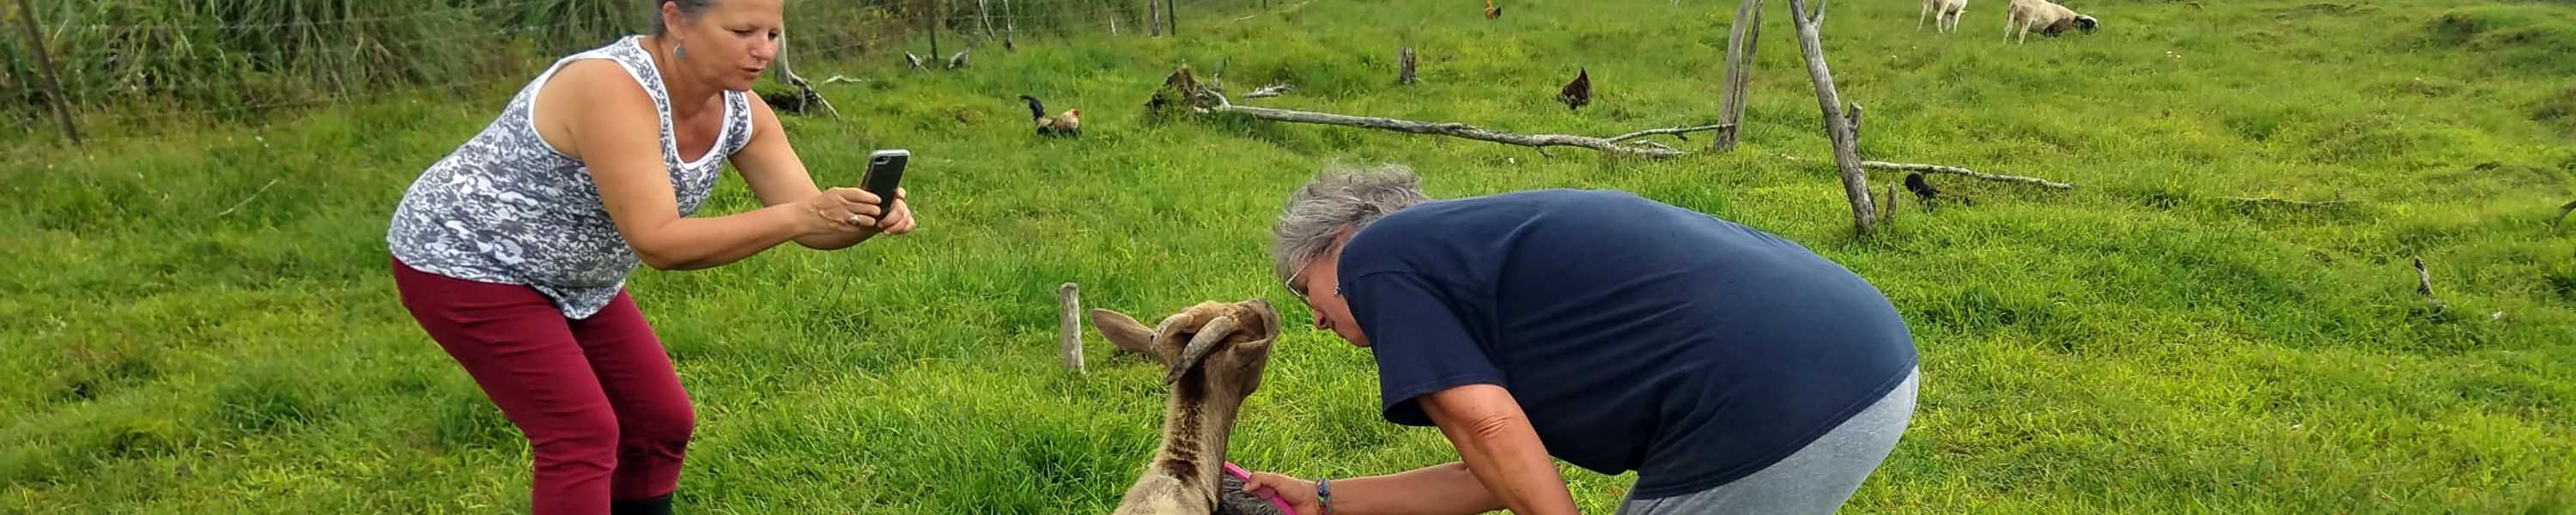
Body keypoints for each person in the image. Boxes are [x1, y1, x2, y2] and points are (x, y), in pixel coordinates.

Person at [383, 0, 914, 513]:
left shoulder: (738, 108)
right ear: (676, 19)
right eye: (741, 33)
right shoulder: (610, 87)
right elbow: (659, 242)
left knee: (659, 423)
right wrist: (804, 215)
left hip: (576, 276)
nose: (763, 51)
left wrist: (862, 217)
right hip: (465, 257)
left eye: (772, 35)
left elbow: (809, 225)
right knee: (580, 434)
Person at [1239, 164, 1919, 515]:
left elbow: (1488, 426)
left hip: (1772, 401)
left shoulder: (1378, 258)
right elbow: (1493, 477)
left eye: (1306, 289)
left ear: (1342, 243)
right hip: (1867, 360)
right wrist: (1324, 498)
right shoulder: (1497, 277)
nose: (1317, 319)